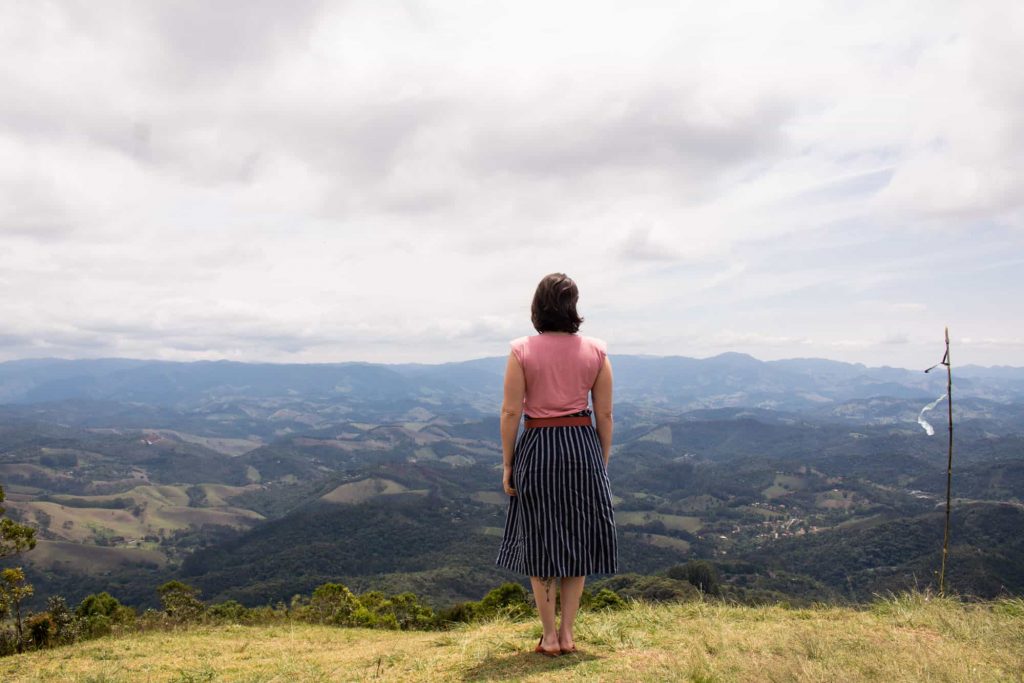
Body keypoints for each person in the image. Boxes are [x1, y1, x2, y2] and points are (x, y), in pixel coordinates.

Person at [494, 272, 617, 657]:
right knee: (578, 539)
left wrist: (508, 462)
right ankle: (567, 634)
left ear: (538, 306)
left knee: (539, 539)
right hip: (582, 445)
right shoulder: (596, 351)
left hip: (538, 445)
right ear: (573, 306)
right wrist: (601, 459)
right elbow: (606, 414)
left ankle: (547, 637)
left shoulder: (521, 350)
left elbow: (512, 410)